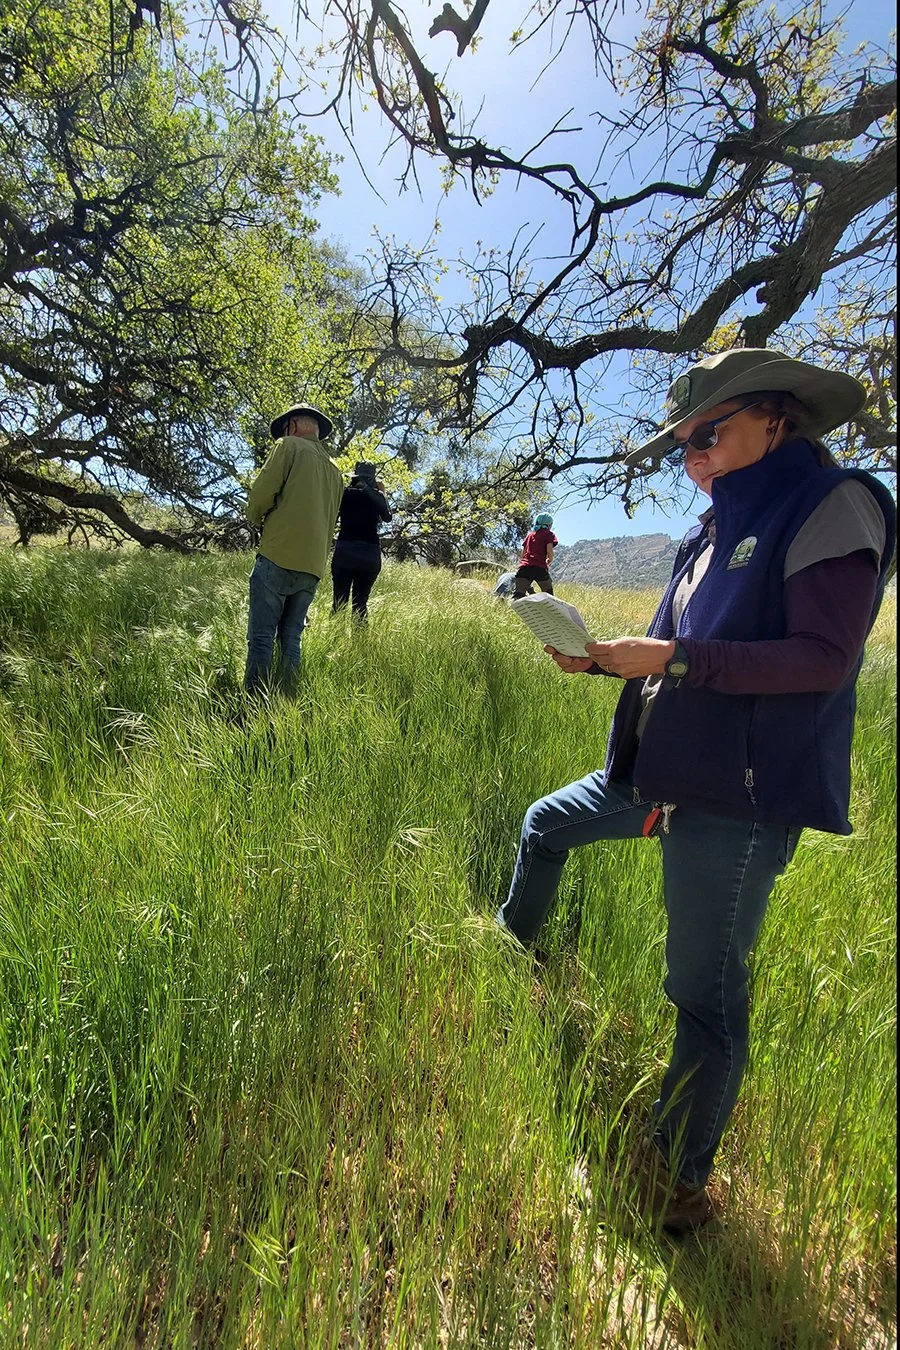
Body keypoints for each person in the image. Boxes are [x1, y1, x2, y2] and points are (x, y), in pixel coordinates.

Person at [497, 348, 895, 1236]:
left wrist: (673, 658)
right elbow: (673, 657)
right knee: (544, 826)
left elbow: (823, 659)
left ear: (775, 419)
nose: (693, 457)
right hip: (658, 770)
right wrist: (605, 660)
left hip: (736, 798)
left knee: (702, 996)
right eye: (682, 444)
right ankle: (510, 957)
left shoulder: (833, 503)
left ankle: (677, 1181)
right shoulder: (708, 531)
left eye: (707, 434)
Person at [244, 404, 343, 693]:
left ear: (292, 426)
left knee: (261, 639)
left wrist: (255, 517)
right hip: (312, 567)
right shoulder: (336, 471)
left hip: (277, 554)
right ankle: (288, 702)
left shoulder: (287, 446)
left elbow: (259, 499)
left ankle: (254, 705)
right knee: (291, 639)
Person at [330, 462, 392, 621]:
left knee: (339, 602)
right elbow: (387, 517)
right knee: (360, 604)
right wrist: (381, 493)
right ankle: (360, 637)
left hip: (345, 552)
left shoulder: (345, 494)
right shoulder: (377, 497)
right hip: (369, 556)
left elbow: (332, 518)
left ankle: (334, 636)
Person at [513, 513, 558, 597]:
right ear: (549, 525)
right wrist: (550, 559)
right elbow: (549, 550)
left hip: (524, 568)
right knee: (548, 595)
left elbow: (523, 553)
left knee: (518, 595)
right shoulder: (549, 534)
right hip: (539, 568)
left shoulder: (529, 535)